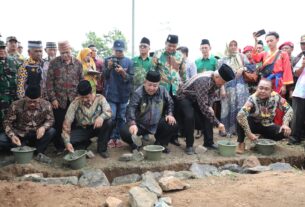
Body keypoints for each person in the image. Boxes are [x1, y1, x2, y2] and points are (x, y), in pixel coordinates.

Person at [177, 63, 235, 155]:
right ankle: (189, 145)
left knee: (209, 113)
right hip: (185, 97)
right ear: (217, 77)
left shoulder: (215, 79)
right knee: (189, 116)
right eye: (223, 82)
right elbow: (203, 106)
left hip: (197, 97)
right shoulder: (204, 81)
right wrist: (218, 123)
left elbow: (211, 94)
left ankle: (208, 142)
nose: (222, 85)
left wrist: (210, 106)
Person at [120, 71, 178, 153]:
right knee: (124, 131)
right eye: (149, 85)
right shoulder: (138, 93)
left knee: (172, 123)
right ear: (145, 83)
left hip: (156, 123)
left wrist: (170, 114)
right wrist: (132, 124)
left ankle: (160, 143)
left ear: (159, 84)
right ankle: (136, 144)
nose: (151, 88)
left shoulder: (163, 90)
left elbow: (170, 102)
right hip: (140, 125)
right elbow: (131, 109)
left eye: (155, 86)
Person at [236, 79, 293, 153]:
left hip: (268, 124)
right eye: (261, 88)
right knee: (239, 118)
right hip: (253, 124)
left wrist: (285, 124)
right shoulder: (252, 99)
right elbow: (241, 115)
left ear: (271, 90)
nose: (263, 91)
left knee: (285, 131)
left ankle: (263, 140)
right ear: (257, 88)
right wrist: (249, 133)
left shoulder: (276, 97)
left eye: (266, 89)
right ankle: (241, 143)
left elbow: (289, 109)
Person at [46, 40, 83, 152]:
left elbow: (82, 81)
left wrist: (79, 96)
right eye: (62, 53)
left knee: (74, 123)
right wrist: (53, 99)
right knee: (59, 123)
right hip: (59, 100)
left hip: (74, 100)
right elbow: (49, 83)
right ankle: (59, 147)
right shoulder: (54, 63)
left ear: (71, 50)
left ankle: (73, 145)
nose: (65, 55)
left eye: (67, 52)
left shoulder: (78, 63)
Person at [1, 85, 55, 161]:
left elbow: (51, 120)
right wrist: (12, 136)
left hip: (37, 135)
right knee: (2, 139)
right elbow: (7, 122)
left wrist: (43, 127)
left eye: (35, 101)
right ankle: (21, 148)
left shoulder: (47, 105)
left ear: (40, 98)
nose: (32, 104)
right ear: (25, 97)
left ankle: (38, 152)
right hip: (20, 135)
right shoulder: (15, 105)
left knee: (51, 131)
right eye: (29, 101)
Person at [62, 80, 113, 158]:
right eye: (82, 97)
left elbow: (109, 112)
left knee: (109, 122)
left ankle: (102, 149)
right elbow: (67, 124)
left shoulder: (100, 98)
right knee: (64, 141)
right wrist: (67, 142)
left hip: (96, 127)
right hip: (83, 129)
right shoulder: (75, 103)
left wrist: (101, 117)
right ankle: (85, 144)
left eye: (87, 97)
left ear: (91, 92)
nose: (85, 99)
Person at [252, 31, 293, 125]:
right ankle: (265, 126)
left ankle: (278, 127)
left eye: (271, 40)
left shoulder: (283, 54)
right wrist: (255, 41)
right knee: (264, 103)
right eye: (267, 41)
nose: (269, 43)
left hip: (278, 82)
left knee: (278, 104)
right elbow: (255, 58)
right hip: (266, 82)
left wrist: (284, 85)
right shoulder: (264, 53)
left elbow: (287, 70)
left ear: (277, 40)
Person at [152, 34, 185, 146]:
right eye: (169, 45)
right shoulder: (158, 54)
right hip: (161, 89)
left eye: (174, 46)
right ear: (165, 43)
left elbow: (183, 73)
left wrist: (184, 87)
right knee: (161, 114)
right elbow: (152, 71)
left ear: (177, 46)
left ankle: (173, 137)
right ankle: (159, 138)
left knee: (175, 113)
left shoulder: (180, 56)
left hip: (176, 89)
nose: (171, 48)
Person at [104, 40, 134, 148]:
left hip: (124, 95)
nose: (118, 53)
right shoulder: (107, 60)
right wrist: (109, 67)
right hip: (111, 94)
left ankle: (118, 138)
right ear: (113, 49)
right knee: (111, 117)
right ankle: (112, 138)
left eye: (120, 51)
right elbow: (105, 76)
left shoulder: (129, 62)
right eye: (116, 50)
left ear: (124, 50)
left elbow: (131, 78)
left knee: (121, 117)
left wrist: (122, 72)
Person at [220, 40, 250, 136]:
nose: (233, 47)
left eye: (235, 45)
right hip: (228, 87)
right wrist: (222, 89)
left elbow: (252, 67)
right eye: (231, 45)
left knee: (240, 107)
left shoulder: (242, 56)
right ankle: (227, 130)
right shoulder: (222, 60)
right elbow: (219, 76)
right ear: (227, 46)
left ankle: (240, 131)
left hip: (241, 88)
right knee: (227, 107)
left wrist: (242, 68)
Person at [0, 40, 19, 134]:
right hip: (2, 98)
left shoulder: (13, 60)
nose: (1, 50)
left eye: (3, 47)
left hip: (14, 97)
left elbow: (23, 75)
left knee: (15, 119)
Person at [289, 35, 305, 145]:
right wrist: (303, 66)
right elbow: (295, 74)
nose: (303, 45)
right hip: (300, 90)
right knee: (297, 116)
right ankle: (295, 138)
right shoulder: (298, 58)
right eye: (302, 43)